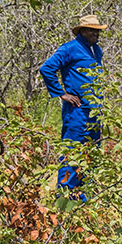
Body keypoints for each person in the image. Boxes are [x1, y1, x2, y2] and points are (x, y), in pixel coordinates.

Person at [39, 14, 107, 197]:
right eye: (92, 30)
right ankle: (64, 201)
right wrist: (61, 94)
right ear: (82, 31)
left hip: (95, 112)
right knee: (72, 153)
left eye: (97, 31)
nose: (95, 34)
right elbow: (47, 68)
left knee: (91, 154)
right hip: (77, 111)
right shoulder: (70, 48)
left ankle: (85, 200)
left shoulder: (96, 51)